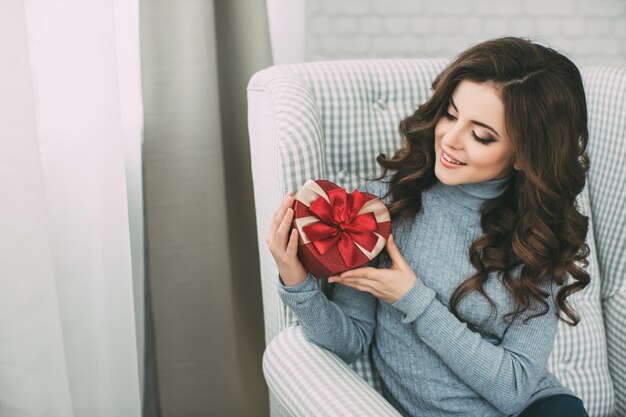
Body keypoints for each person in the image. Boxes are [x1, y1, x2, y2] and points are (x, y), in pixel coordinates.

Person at [265, 36, 591, 417]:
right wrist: (296, 282)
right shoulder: (380, 211)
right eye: (450, 115)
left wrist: (412, 298)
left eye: (481, 135)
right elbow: (347, 343)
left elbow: (516, 388)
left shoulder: (538, 237)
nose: (449, 140)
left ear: (524, 154)